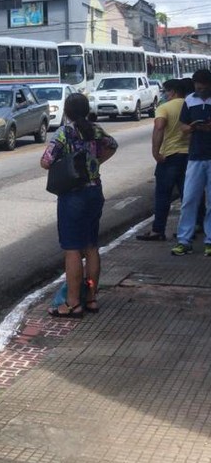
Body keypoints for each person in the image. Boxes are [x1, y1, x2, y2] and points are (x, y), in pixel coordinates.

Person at [40, 93, 118, 318]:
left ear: (67, 111)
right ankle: (92, 297)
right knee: (91, 246)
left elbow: (46, 161)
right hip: (95, 191)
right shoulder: (96, 130)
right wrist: (95, 161)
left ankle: (73, 303)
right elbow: (112, 145)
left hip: (73, 195)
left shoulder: (65, 132)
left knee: (72, 249)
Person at [137, 79, 189, 242]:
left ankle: (158, 230)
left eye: (166, 91)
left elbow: (159, 127)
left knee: (163, 195)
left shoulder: (164, 107)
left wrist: (155, 152)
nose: (165, 94)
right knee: (188, 195)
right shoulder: (189, 105)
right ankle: (192, 227)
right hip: (189, 156)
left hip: (170, 157)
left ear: (172, 92)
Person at [174, 69, 211, 256]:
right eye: (198, 87)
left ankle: (209, 241)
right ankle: (184, 240)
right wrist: (191, 128)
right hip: (195, 156)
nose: (201, 90)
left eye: (204, 88)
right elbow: (182, 126)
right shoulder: (189, 100)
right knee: (189, 199)